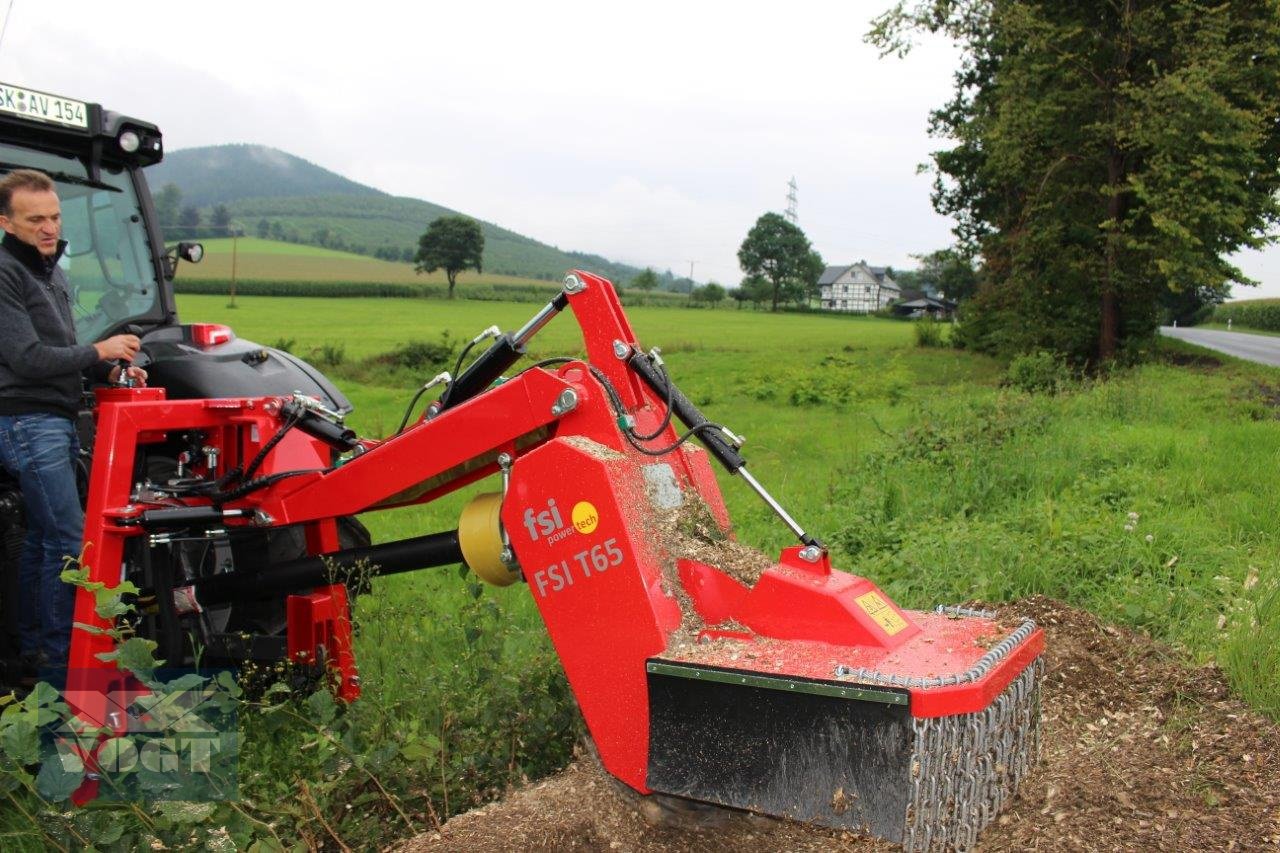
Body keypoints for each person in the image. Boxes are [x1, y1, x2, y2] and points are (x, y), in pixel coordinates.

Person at [0, 168, 146, 676]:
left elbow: (64, 351)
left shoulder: (52, 273)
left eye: (55, 216)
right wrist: (98, 348)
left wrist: (109, 366)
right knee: (67, 538)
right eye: (34, 218)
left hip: (55, 416)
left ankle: (40, 651)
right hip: (26, 419)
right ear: (7, 222)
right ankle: (65, 660)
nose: (48, 227)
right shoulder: (5, 274)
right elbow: (26, 358)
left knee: (44, 539)